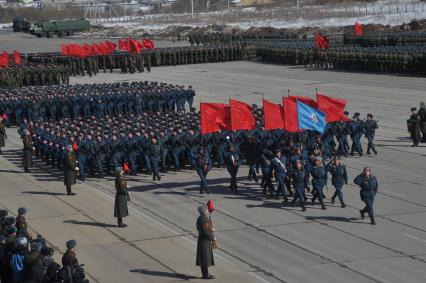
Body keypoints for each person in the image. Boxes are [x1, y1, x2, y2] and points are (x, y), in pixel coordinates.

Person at [196, 205, 215, 280]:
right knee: (204, 259)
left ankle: (206, 274)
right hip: (204, 241)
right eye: (206, 209)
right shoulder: (203, 219)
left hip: (203, 240)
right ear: (204, 211)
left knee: (204, 258)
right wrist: (212, 238)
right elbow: (205, 231)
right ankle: (205, 275)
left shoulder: (201, 218)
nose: (207, 210)